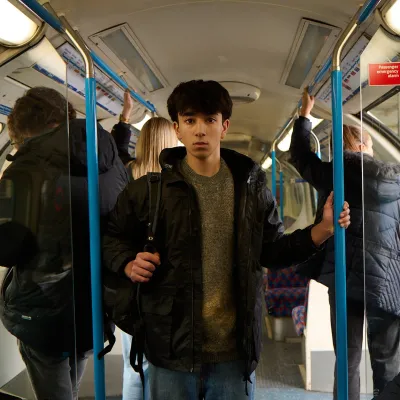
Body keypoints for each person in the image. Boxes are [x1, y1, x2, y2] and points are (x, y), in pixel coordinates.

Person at [103, 79, 351, 400]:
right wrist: (127, 262)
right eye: (190, 121)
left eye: (210, 120)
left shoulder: (251, 189)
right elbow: (112, 240)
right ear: (177, 129)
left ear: (224, 126)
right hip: (171, 349)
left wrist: (323, 229)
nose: (200, 130)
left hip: (233, 352)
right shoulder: (148, 191)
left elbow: (272, 252)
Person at [0, 87, 129, 400]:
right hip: (95, 307)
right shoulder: (110, 161)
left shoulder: (23, 172)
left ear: (20, 131)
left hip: (44, 314)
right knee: (71, 381)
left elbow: (7, 249)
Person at [289, 88, 400, 399]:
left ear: (341, 146)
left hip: (346, 278)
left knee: (348, 361)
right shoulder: (396, 180)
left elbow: (300, 156)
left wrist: (305, 115)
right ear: (367, 144)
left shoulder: (335, 173)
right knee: (387, 362)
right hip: (389, 283)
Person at [118, 116, 177, 400]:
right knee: (162, 366)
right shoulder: (176, 183)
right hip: (165, 284)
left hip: (131, 281)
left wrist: (124, 121)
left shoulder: (124, 175)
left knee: (133, 366)